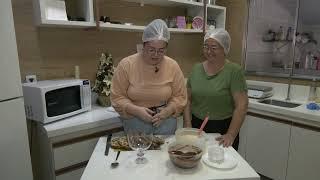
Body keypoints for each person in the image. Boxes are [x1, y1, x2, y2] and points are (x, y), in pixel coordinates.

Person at [111, 19, 187, 135]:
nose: (156, 55)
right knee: (138, 152)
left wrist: (168, 110)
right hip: (135, 121)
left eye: (161, 51)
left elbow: (180, 96)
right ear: (143, 45)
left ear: (166, 49)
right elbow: (117, 97)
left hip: (165, 121)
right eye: (151, 50)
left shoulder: (172, 66)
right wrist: (136, 110)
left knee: (163, 152)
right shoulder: (126, 65)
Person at [183, 28, 248, 150]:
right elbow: (187, 99)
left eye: (214, 47)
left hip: (223, 129)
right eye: (206, 46)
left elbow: (242, 105)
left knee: (220, 163)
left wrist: (231, 134)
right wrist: (187, 124)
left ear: (225, 49)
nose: (208, 51)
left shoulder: (234, 71)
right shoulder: (196, 69)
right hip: (197, 126)